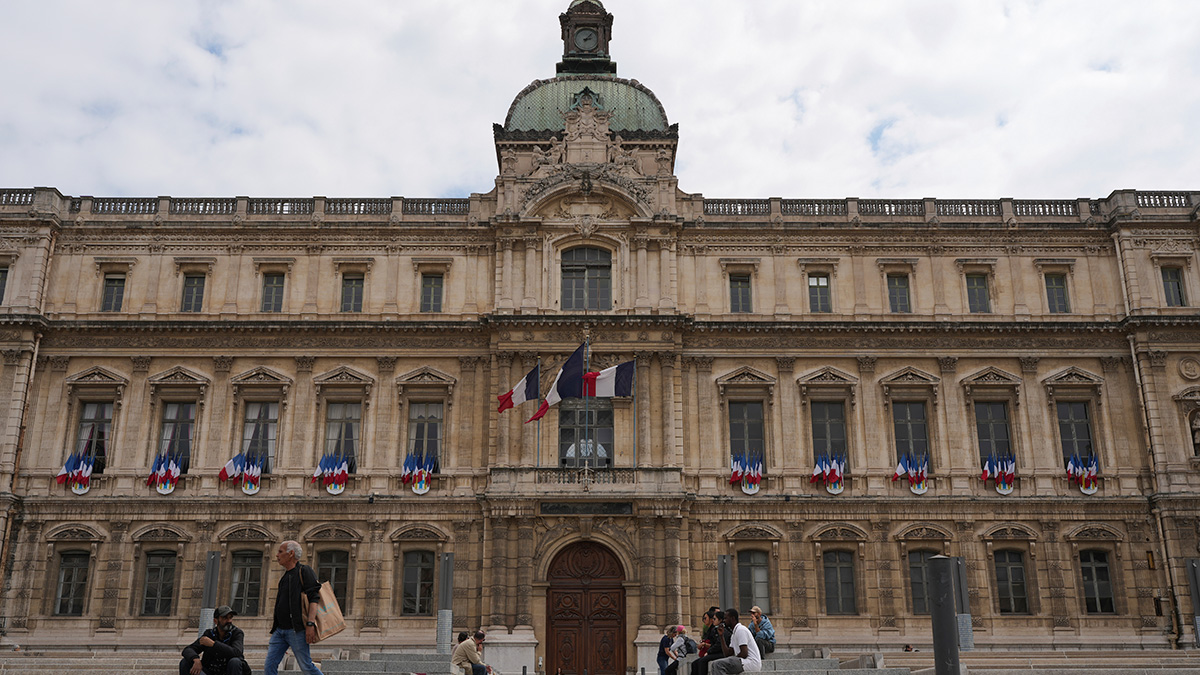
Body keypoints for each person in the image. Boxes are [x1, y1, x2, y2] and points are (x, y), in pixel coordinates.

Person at [263, 540, 324, 675]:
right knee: (269, 666)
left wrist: (310, 623)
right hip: (280, 631)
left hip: (296, 630)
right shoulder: (285, 577)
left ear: (291, 554)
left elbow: (314, 598)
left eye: (280, 551)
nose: (277, 555)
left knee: (306, 666)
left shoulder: (304, 571)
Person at [180, 605, 249, 675]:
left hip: (228, 672)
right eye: (225, 618)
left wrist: (213, 644)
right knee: (185, 662)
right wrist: (196, 659)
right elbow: (188, 649)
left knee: (235, 661)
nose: (229, 621)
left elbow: (237, 653)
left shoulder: (237, 633)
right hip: (210, 671)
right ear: (215, 621)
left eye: (230, 617)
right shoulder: (209, 634)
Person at [709, 608, 761, 675]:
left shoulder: (741, 630)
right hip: (743, 661)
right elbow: (727, 654)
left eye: (726, 618)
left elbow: (744, 653)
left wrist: (732, 659)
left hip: (750, 663)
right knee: (714, 665)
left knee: (718, 664)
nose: (724, 621)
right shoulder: (734, 633)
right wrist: (721, 636)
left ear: (732, 619)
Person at [691, 610, 730, 675]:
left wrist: (709, 651)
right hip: (716, 652)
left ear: (720, 620)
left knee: (702, 661)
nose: (713, 620)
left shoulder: (723, 630)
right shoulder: (714, 630)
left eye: (714, 619)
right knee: (695, 663)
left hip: (722, 653)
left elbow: (718, 645)